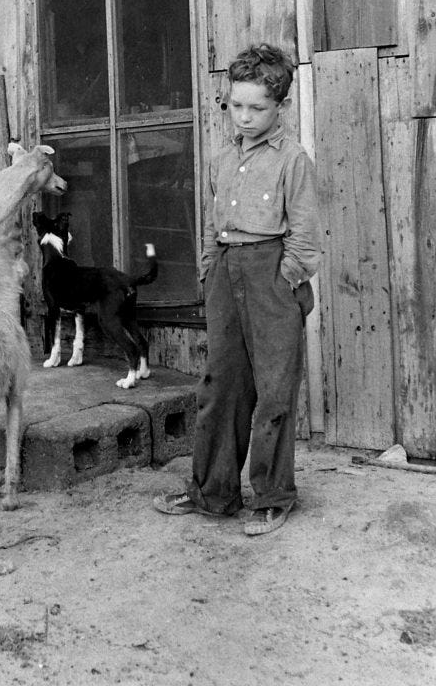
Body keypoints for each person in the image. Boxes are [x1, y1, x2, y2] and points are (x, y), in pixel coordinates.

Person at [153, 43, 321, 535]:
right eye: (236, 105)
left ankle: (271, 495)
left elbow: (305, 237)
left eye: (257, 108)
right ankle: (212, 491)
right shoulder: (223, 158)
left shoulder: (293, 161)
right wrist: (210, 270)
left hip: (272, 275)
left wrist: (285, 280)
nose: (244, 117)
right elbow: (211, 222)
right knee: (220, 385)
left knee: (273, 390)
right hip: (226, 271)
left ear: (281, 107)